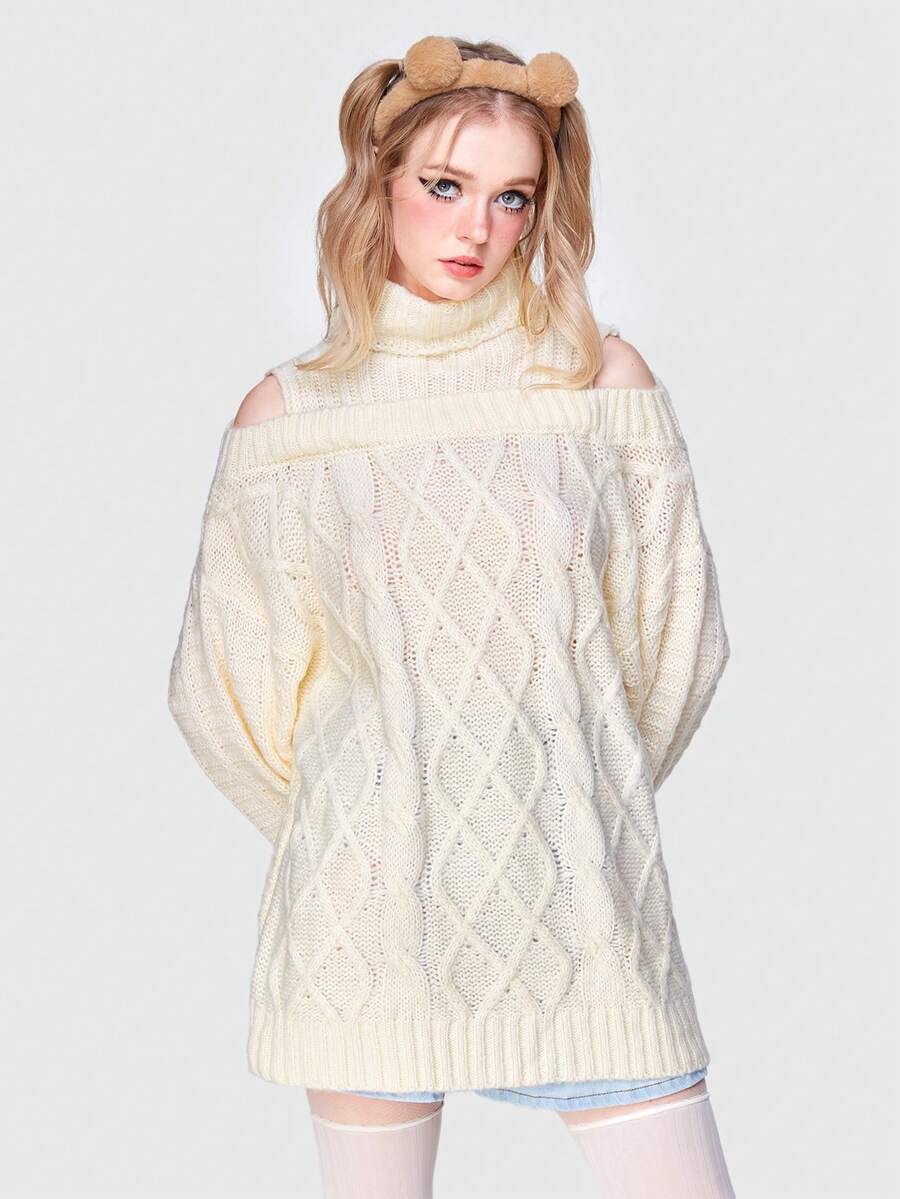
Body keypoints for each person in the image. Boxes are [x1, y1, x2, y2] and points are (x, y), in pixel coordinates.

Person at [168, 35, 736, 1198]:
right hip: (368, 923)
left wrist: (564, 795)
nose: (477, 226)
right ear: (378, 182)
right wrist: (377, 821)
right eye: (444, 184)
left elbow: (675, 651)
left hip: (583, 910)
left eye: (512, 196)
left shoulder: (598, 385)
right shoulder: (291, 417)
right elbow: (223, 694)